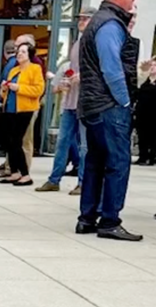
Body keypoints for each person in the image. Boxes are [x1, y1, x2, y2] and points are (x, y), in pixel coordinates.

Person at [76, 0, 142, 241]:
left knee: (95, 162)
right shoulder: (110, 25)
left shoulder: (99, 21)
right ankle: (110, 221)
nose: (134, 3)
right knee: (117, 162)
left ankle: (87, 218)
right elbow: (112, 68)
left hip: (93, 105)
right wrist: (124, 101)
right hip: (109, 106)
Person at [36, 6, 96, 195]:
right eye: (80, 18)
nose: (81, 21)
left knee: (85, 146)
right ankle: (54, 179)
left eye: (86, 18)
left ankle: (83, 183)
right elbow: (70, 69)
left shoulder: (95, 42)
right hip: (71, 101)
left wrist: (82, 77)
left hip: (85, 102)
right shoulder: (77, 43)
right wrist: (64, 82)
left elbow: (99, 71)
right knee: (63, 142)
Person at [0, 43, 45, 187]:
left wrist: (19, 88)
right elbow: (4, 92)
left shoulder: (35, 69)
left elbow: (38, 90)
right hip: (10, 108)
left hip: (25, 110)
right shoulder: (14, 70)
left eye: (23, 52)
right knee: (9, 141)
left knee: (17, 141)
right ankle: (14, 172)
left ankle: (25, 174)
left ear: (30, 54)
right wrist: (4, 89)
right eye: (18, 51)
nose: (19, 54)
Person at [134, 57, 156, 166]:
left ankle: (152, 157)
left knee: (153, 136)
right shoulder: (144, 82)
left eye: (155, 66)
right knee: (141, 135)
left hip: (153, 114)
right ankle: (142, 156)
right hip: (142, 113)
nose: (152, 67)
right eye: (151, 65)